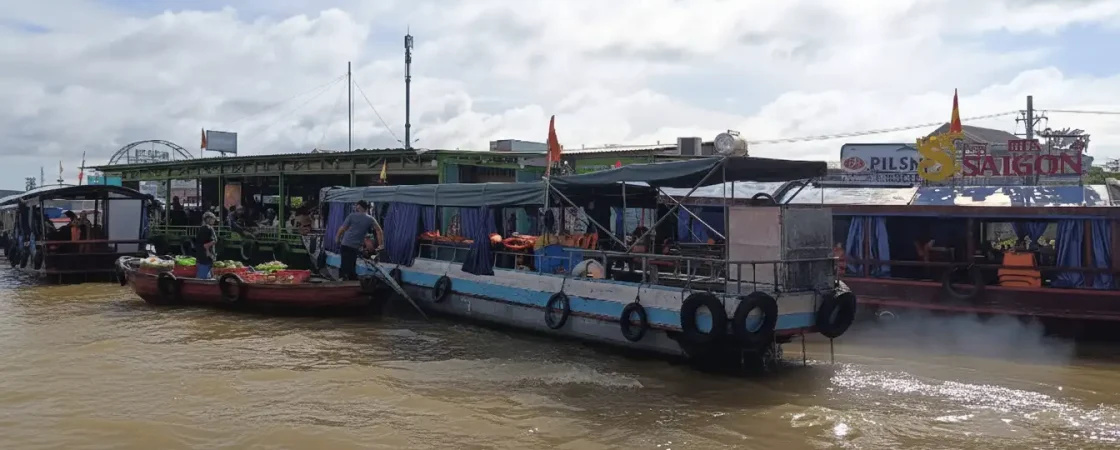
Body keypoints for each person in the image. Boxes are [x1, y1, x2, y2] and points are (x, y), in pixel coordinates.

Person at [335, 200, 384, 280]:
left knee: (345, 264)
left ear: (359, 207)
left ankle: (344, 280)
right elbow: (379, 231)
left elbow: (342, 228)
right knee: (352, 263)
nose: (355, 207)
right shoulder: (370, 219)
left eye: (356, 206)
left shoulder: (351, 216)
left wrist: (337, 238)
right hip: (356, 246)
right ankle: (352, 279)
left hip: (346, 244)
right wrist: (381, 244)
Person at [196, 212, 218, 279]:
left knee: (206, 272)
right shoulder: (208, 228)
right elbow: (208, 243)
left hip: (201, 254)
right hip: (205, 255)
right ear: (208, 219)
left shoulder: (202, 228)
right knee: (204, 276)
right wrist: (208, 252)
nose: (214, 221)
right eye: (213, 219)